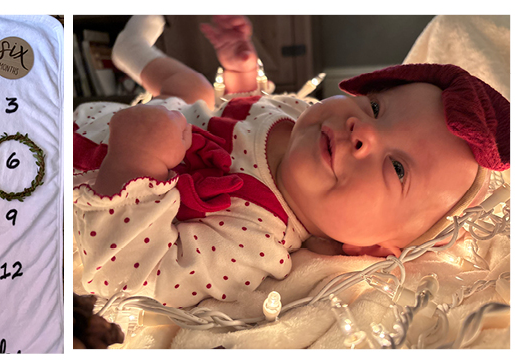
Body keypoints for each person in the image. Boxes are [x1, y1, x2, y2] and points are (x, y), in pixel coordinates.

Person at [73, 15, 508, 308]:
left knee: (191, 92)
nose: (365, 133)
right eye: (376, 107)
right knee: (200, 91)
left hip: (73, 176)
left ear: (370, 248)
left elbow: (126, 279)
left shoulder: (255, 240)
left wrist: (135, 160)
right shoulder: (298, 117)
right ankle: (128, 49)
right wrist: (241, 72)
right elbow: (245, 109)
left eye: (397, 169)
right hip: (170, 119)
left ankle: (128, 51)